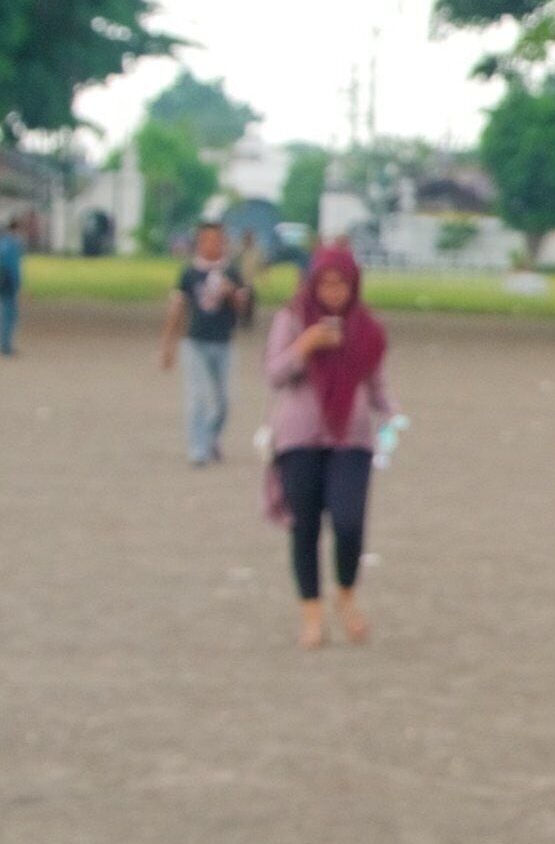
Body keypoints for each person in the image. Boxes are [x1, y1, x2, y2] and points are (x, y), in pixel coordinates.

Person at [264, 245, 395, 649]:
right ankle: (312, 614)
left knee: (349, 520)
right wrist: (305, 345)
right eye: (325, 284)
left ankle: (346, 594)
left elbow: (376, 383)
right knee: (304, 527)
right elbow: (274, 375)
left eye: (340, 284)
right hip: (298, 437)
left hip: (350, 438)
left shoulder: (366, 329)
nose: (332, 292)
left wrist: (393, 415)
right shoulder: (290, 319)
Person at [162, 220, 250, 466]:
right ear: (199, 243)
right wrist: (167, 345)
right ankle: (197, 449)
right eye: (207, 239)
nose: (212, 244)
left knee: (224, 400)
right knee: (197, 396)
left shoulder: (232, 271)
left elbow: (243, 309)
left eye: (217, 239)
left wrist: (230, 291)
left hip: (223, 341)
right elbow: (177, 308)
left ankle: (211, 437)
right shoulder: (190, 272)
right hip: (195, 341)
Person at [0, 218, 27, 355]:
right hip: (9, 281)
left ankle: (3, 343)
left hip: (0, 279)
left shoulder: (0, 243)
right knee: (9, 313)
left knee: (3, 312)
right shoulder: (14, 244)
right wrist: (18, 285)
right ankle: (5, 345)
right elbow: (14, 267)